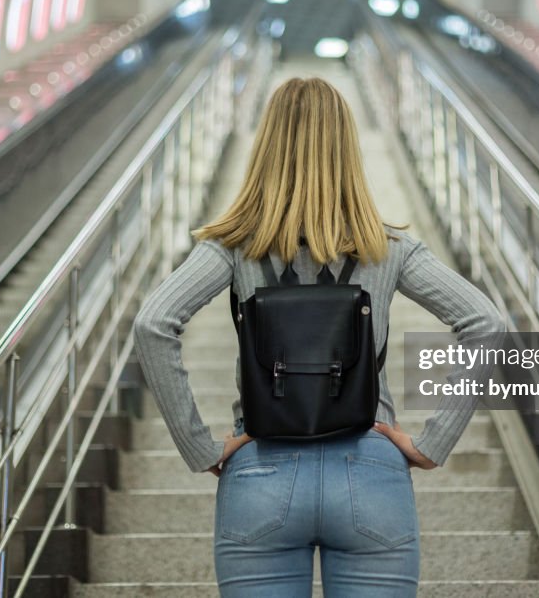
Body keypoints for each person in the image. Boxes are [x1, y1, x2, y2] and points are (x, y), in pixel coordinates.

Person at [133, 76, 506, 597]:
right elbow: (486, 323)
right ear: (348, 149)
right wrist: (431, 443)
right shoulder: (391, 246)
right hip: (371, 466)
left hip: (260, 467)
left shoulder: (230, 246)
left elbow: (153, 323)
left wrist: (201, 448)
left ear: (265, 148)